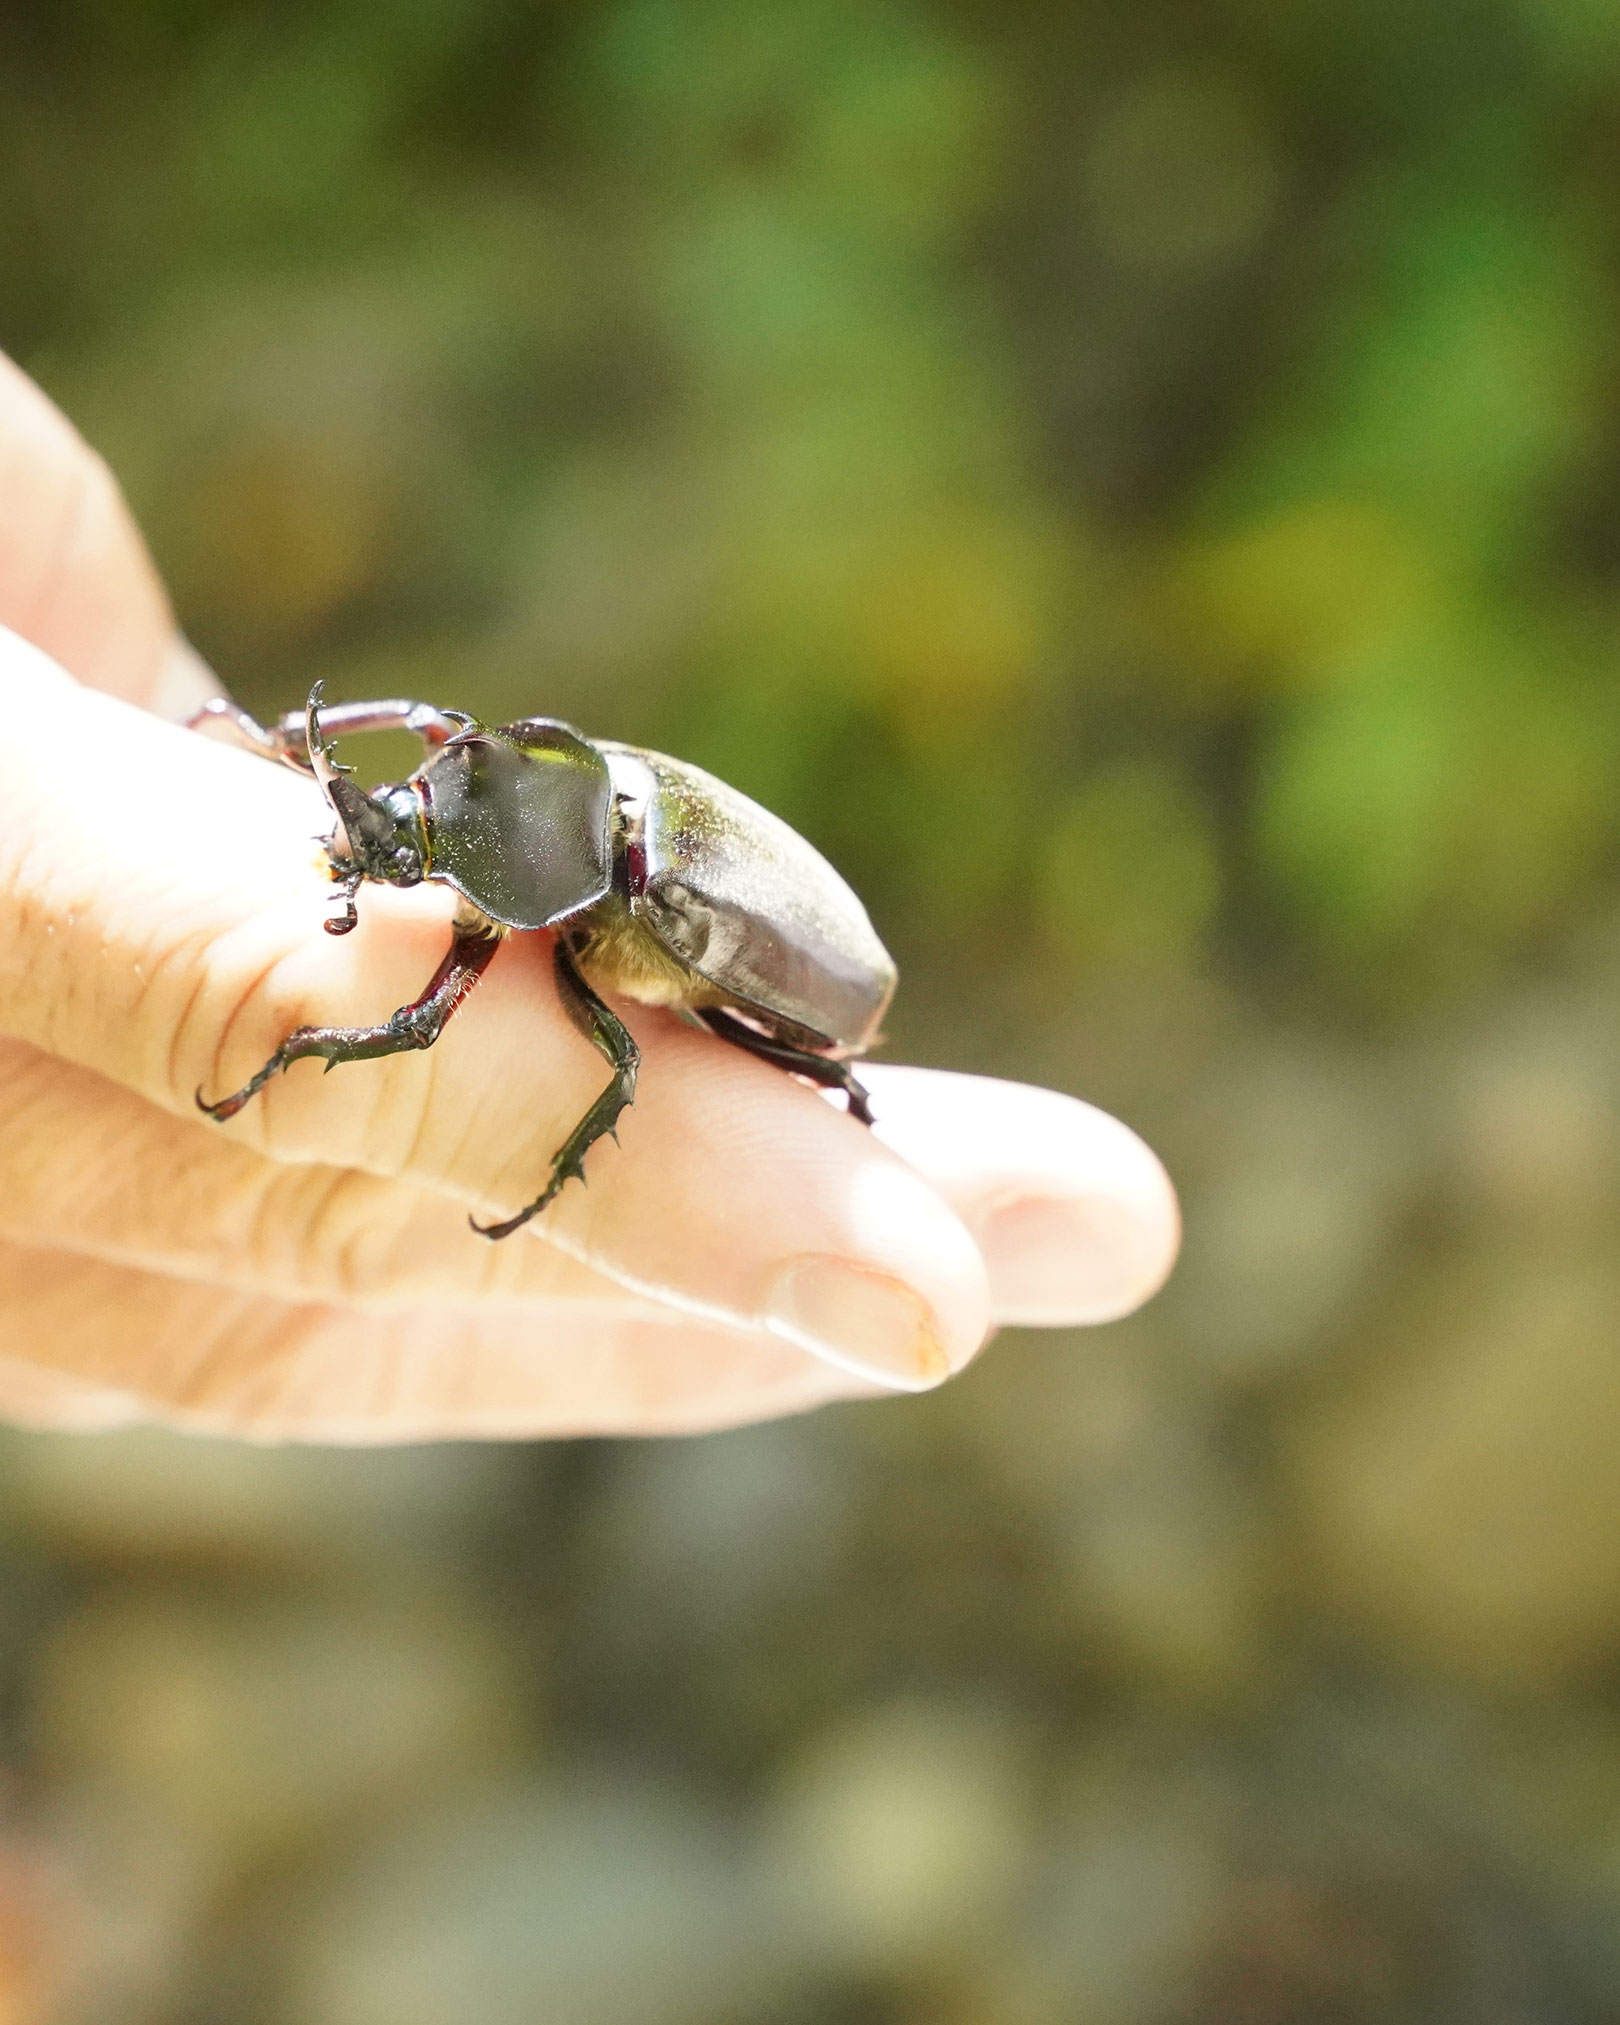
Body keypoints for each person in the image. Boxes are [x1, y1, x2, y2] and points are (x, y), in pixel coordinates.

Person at [0, 353, 1178, 1443]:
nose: (409, 816)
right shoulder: (551, 781)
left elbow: (466, 1032)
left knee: (629, 1060)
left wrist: (277, 1050)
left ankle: (738, 1133)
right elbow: (427, 732)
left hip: (812, 979)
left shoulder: (612, 906)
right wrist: (286, 755)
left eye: (427, 834)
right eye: (418, 810)